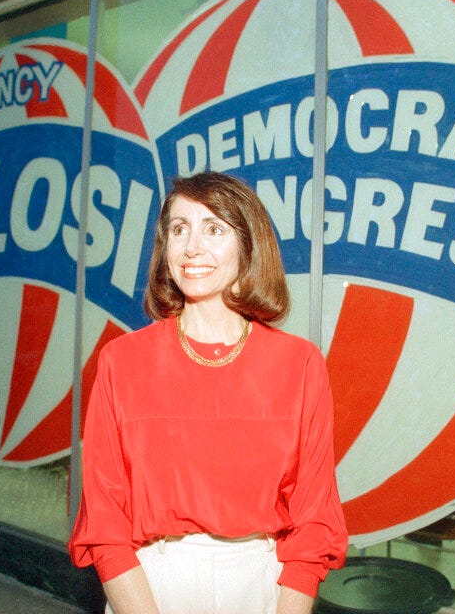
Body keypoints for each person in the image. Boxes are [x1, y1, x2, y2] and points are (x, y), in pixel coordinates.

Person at [69, 171, 348, 614]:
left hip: (262, 586)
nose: (192, 247)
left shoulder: (300, 365)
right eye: (180, 229)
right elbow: (104, 523)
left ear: (248, 245)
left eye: (214, 229)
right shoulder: (122, 361)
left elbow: (314, 524)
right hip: (147, 585)